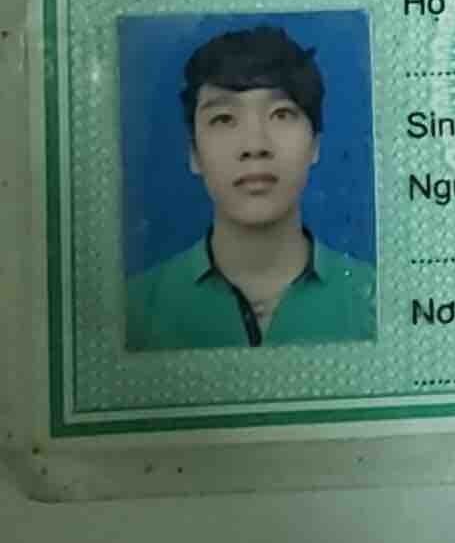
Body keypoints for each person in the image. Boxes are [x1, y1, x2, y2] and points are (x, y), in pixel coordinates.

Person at [126, 24, 376, 350]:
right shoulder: (131, 312)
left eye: (281, 114)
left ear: (315, 144)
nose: (254, 146)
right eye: (224, 119)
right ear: (194, 154)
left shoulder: (376, 301)